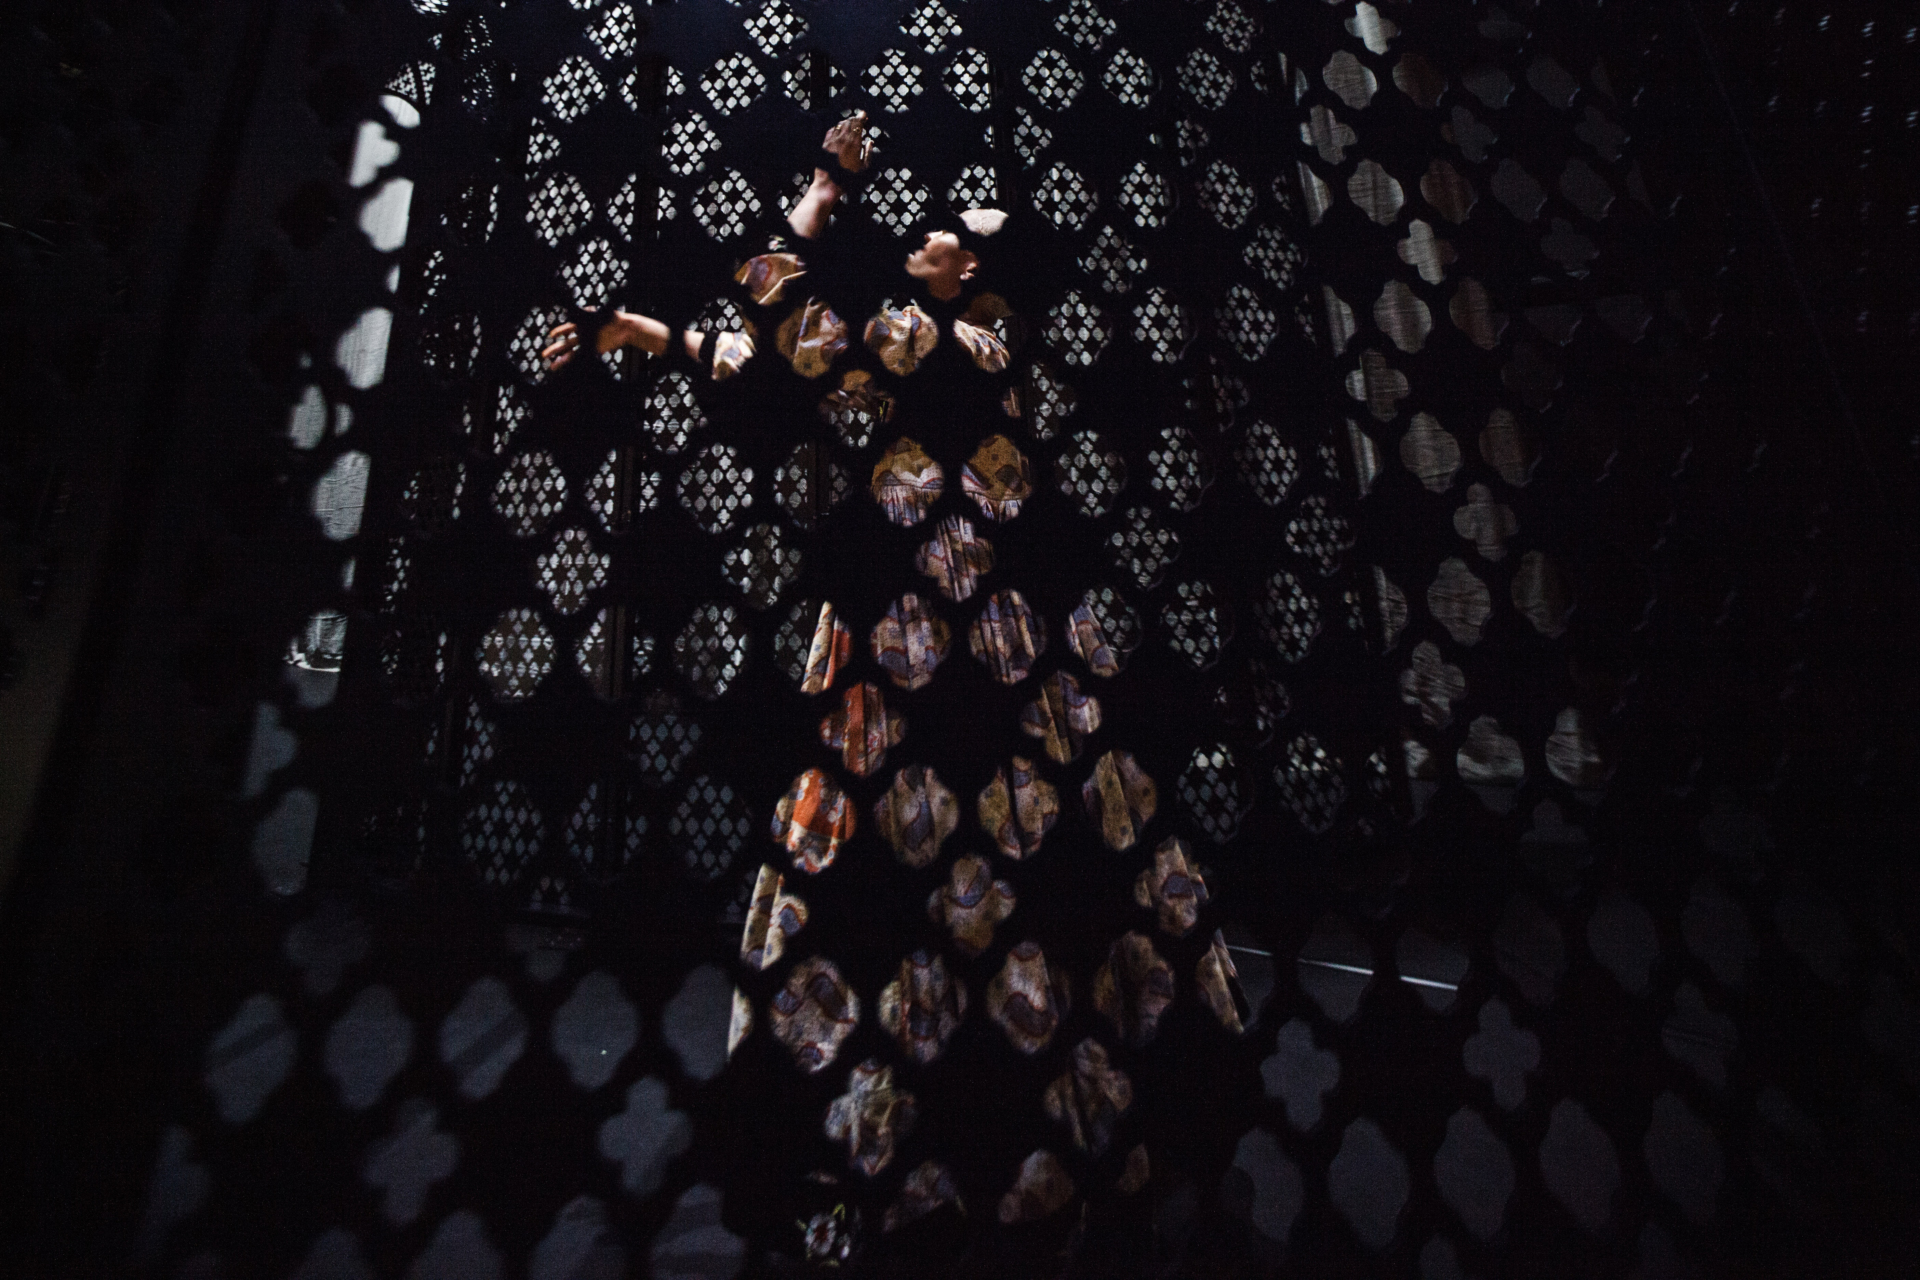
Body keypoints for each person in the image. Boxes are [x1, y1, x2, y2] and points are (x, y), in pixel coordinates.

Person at [542, 112, 1011, 383]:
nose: (928, 234)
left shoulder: (946, 342)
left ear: (970, 266)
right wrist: (630, 328)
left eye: (948, 232)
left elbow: (790, 326)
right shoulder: (936, 348)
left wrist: (823, 190)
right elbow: (762, 353)